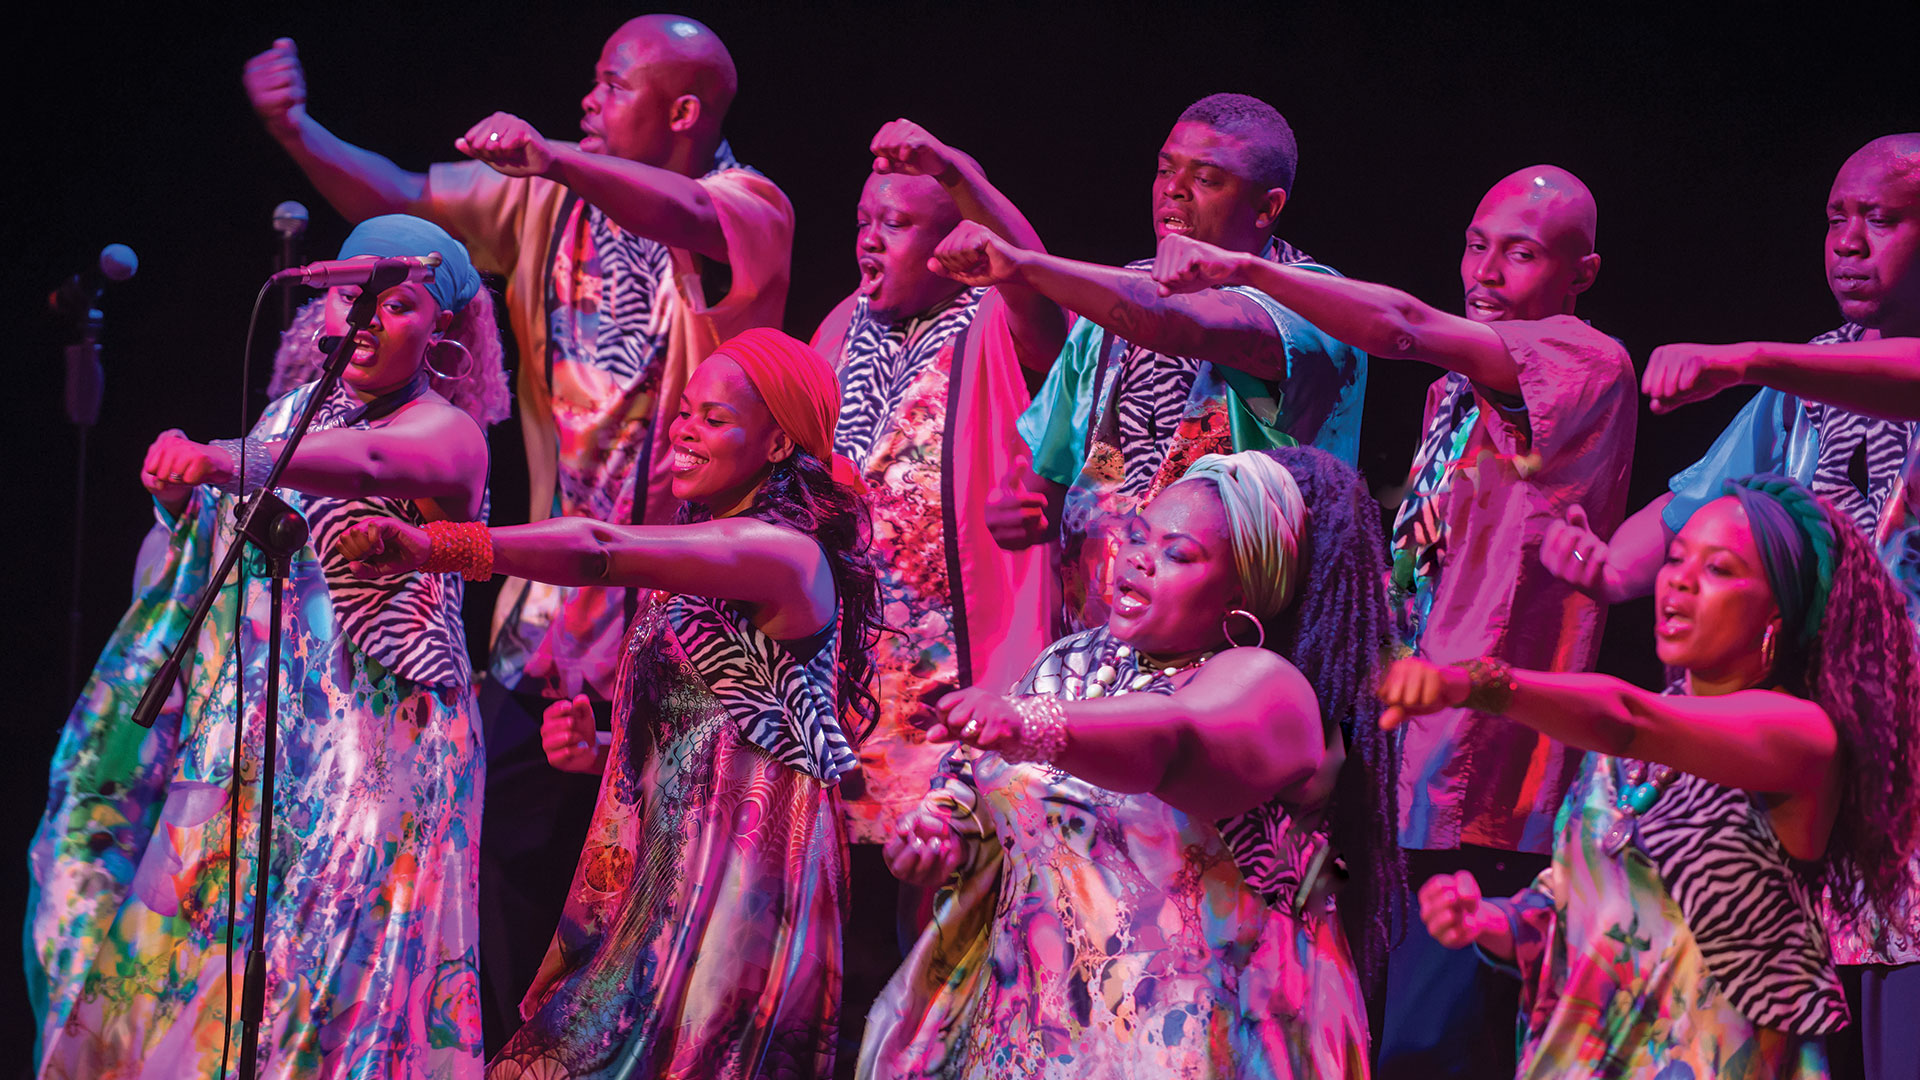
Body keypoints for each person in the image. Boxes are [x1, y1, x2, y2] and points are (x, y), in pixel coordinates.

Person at [244, 17, 795, 1050]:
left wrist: (556, 157)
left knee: (648, 910)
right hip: (543, 618)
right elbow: (407, 200)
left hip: (684, 638)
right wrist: (298, 132)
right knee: (488, 867)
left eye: (610, 82)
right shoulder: (549, 205)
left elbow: (691, 213)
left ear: (681, 112)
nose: (587, 99)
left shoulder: (747, 204)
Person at [1154, 162, 1636, 1076]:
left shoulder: (1583, 358)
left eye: (1522, 254)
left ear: (1582, 272)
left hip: (1484, 769)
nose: (1486, 271)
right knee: (1361, 1027)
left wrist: (1246, 270)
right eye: (1476, 245)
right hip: (1406, 751)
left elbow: (1405, 327)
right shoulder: (1456, 387)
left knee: (1432, 1045)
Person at [28, 215, 508, 1078]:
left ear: (437, 325)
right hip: (263, 751)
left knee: (329, 992)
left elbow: (363, 464)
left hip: (382, 760)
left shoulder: (448, 434)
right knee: (199, 971)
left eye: (394, 304)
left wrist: (219, 459)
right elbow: (223, 566)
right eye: (345, 297)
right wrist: (181, 501)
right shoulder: (289, 415)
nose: (361, 320)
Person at [338, 328, 879, 1079]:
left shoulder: (782, 554)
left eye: (715, 419)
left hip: (737, 893)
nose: (685, 430)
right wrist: (599, 753)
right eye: (685, 412)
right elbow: (726, 734)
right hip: (663, 881)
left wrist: (441, 546)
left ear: (780, 442)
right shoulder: (709, 555)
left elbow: (598, 547)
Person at [1544, 133, 1920, 1080]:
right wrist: (1602, 567)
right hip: (1811, 747)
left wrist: (1749, 356)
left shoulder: (1798, 370)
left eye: (1880, 219)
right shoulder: (1802, 380)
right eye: (1836, 217)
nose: (1847, 240)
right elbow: (1693, 506)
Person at [859, 447, 1402, 1079]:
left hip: (1200, 1044)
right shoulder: (1070, 665)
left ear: (1242, 592)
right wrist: (937, 842)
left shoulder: (1270, 687)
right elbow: (980, 802)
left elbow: (1174, 740)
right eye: (1139, 536)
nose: (1139, 559)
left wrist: (1030, 725)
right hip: (1034, 1037)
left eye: (1179, 554)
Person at [1379, 475, 1920, 1078]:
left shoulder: (1801, 736)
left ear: (1777, 613)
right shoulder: (1620, 762)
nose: (1679, 580)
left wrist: (1474, 681)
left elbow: (1629, 717)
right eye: (1676, 558)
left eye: (1719, 569)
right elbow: (1573, 902)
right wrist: (1493, 922)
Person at [803, 119, 1067, 1056]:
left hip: (953, 671)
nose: (873, 238)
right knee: (850, 926)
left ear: (952, 240)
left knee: (941, 919)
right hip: (846, 674)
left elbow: (1035, 278)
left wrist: (966, 176)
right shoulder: (841, 327)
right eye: (865, 219)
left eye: (902, 223)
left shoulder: (992, 319)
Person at [937, 93, 1368, 633]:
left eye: (1207, 178)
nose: (1174, 188)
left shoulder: (1316, 304)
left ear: (1267, 207)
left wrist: (1023, 266)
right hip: (1101, 648)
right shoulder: (1112, 303)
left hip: (1242, 650)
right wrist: (1018, 511)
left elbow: (1179, 323)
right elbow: (1043, 486)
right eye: (1166, 169)